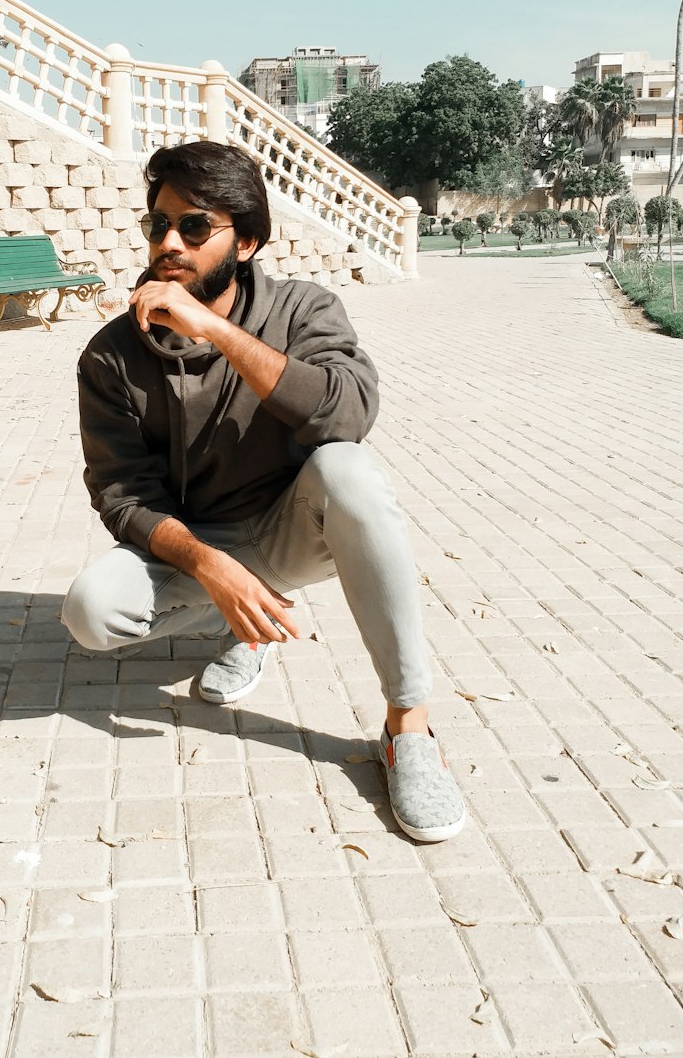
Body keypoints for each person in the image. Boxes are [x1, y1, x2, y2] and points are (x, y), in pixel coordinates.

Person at [61, 141, 465, 843]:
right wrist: (214, 571)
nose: (168, 242)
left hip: (291, 528)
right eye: (158, 224)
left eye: (194, 227)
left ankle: (409, 726)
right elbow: (122, 494)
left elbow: (349, 412)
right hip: (199, 544)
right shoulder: (109, 355)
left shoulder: (303, 309)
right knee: (91, 611)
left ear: (245, 240)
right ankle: (238, 621)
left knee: (351, 472)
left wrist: (214, 330)